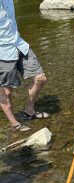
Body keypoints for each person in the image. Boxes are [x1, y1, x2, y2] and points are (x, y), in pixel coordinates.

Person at [0, 0, 49, 132]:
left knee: (40, 77)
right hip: (2, 51)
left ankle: (29, 109)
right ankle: (13, 123)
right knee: (6, 91)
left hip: (18, 43)